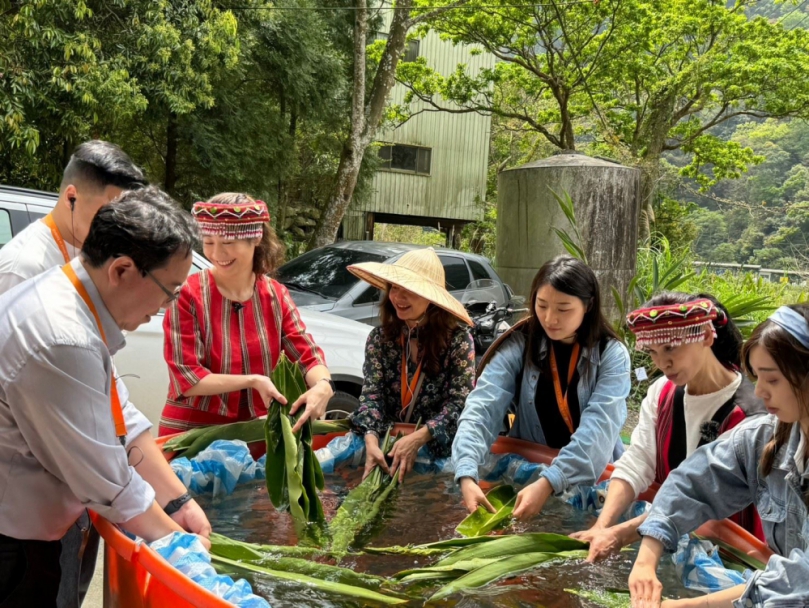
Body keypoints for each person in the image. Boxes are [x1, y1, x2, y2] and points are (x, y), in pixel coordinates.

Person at [0, 189, 211, 606]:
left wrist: (179, 500)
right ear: (122, 270)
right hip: (13, 548)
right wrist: (182, 547)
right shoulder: (62, 336)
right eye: (169, 290)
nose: (168, 305)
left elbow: (121, 416)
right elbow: (108, 482)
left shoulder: (73, 301)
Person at [0, 142, 160, 608]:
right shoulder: (25, 268)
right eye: (109, 212)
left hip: (63, 493)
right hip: (24, 509)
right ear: (71, 197)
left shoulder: (78, 257)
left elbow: (107, 385)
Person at [628, 304, 809, 608]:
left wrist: (690, 605)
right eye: (756, 377)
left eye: (772, 379)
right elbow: (691, 482)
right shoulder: (765, 438)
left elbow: (801, 581)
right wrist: (646, 558)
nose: (760, 392)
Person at [572, 292, 766, 562]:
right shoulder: (662, 392)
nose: (663, 363)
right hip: (664, 541)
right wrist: (601, 526)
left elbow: (699, 499)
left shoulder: (751, 417)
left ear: (707, 336)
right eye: (653, 352)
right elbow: (637, 462)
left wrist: (618, 534)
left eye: (671, 348)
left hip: (731, 555)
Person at [453, 255, 630, 520]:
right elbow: (483, 405)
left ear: (588, 306)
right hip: (528, 471)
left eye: (563, 308)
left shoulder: (611, 355)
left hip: (591, 480)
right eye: (542, 305)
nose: (550, 318)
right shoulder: (521, 343)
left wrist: (550, 481)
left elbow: (598, 430)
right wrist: (466, 472)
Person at [160, 193, 334, 436]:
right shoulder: (187, 294)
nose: (217, 253)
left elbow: (306, 354)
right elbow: (187, 377)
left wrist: (323, 385)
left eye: (228, 243)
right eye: (208, 243)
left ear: (256, 239)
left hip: (256, 432)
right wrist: (252, 380)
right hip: (192, 433)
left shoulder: (275, 294)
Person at [346, 248, 476, 482]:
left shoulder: (458, 340)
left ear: (431, 299)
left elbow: (460, 403)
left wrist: (419, 438)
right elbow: (371, 395)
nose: (398, 298)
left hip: (435, 447)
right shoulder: (379, 338)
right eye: (395, 288)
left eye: (410, 291)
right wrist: (372, 439)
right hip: (387, 442)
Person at [0, 140, 147, 293]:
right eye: (111, 209)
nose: (119, 221)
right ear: (71, 198)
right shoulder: (22, 270)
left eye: (125, 210)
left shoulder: (102, 253)